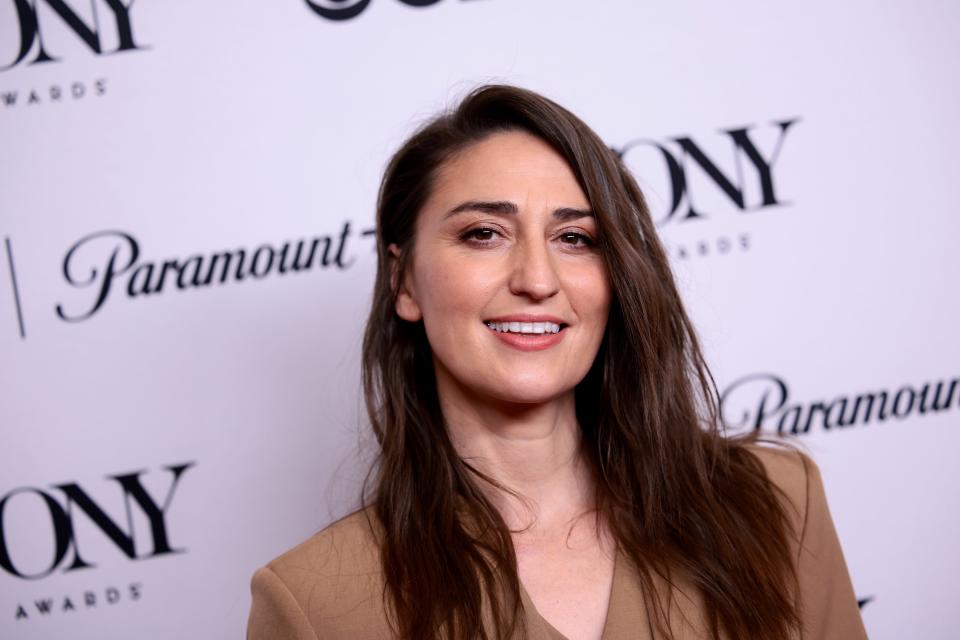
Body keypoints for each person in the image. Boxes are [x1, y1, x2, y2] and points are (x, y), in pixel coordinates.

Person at [246, 85, 867, 640]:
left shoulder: (775, 501)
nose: (538, 280)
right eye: (484, 233)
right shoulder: (313, 606)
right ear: (403, 279)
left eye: (575, 238)